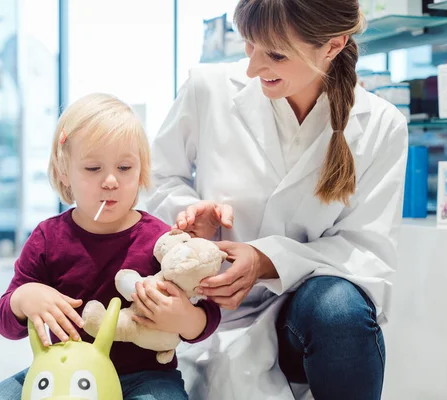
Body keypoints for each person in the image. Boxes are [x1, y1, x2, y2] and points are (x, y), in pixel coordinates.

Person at [147, 0, 408, 399]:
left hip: (304, 316)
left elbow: (366, 251)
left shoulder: (381, 126)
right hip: (206, 309)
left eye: (276, 54)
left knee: (340, 310)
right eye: (249, 45)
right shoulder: (207, 88)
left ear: (333, 46)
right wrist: (188, 217)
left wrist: (266, 260)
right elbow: (160, 177)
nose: (252, 68)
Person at [0, 93, 221, 400]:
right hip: (59, 374)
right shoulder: (47, 238)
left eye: (124, 168)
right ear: (65, 171)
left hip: (143, 378)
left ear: (141, 171)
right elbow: (5, 323)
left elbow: (207, 314)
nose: (110, 181)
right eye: (93, 168)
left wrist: (185, 317)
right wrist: (24, 298)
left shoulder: (161, 240)